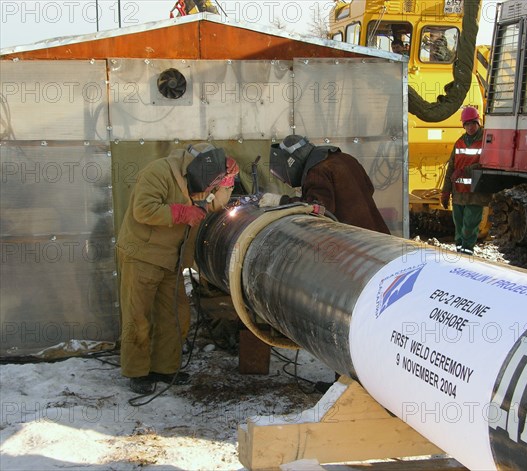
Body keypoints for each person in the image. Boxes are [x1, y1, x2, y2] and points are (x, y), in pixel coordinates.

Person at [116, 143, 239, 394]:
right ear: (194, 168)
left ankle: (165, 367)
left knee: (175, 315)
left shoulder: (198, 181)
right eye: (211, 182)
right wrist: (182, 213)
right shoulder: (158, 173)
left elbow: (214, 205)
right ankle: (137, 372)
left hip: (172, 258)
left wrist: (227, 182)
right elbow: (144, 209)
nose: (207, 189)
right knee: (138, 316)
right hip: (143, 255)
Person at [259, 135, 390, 234]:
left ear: (293, 159)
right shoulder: (345, 158)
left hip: (355, 242)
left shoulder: (317, 171)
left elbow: (317, 209)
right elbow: (369, 188)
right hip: (379, 236)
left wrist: (280, 201)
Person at [441, 107, 491, 255]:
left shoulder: (486, 141)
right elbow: (451, 168)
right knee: (459, 225)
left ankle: (467, 251)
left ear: (478, 123)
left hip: (475, 193)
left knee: (469, 226)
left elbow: (487, 163)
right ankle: (460, 253)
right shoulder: (459, 143)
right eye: (467, 124)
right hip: (459, 193)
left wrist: (465, 170)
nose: (470, 127)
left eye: (473, 124)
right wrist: (445, 191)